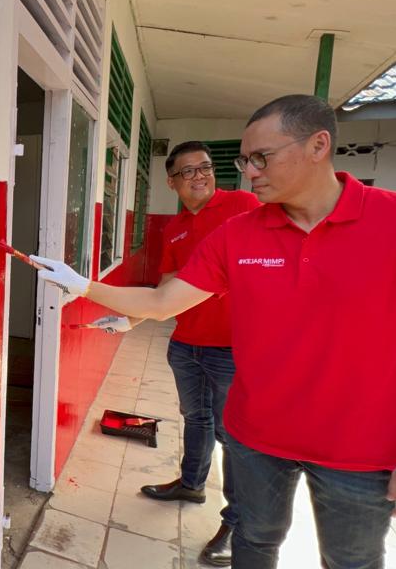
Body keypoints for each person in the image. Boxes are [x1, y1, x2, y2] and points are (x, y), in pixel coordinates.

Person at [30, 94, 396, 569]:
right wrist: (82, 285)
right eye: (244, 160)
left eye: (261, 158)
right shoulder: (238, 235)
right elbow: (166, 300)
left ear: (318, 145)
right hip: (257, 437)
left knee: (350, 561)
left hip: (363, 450)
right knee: (254, 543)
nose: (249, 171)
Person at [135, 141, 260, 567]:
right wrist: (131, 316)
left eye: (204, 167)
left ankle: (237, 523)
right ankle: (191, 483)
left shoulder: (244, 204)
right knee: (197, 418)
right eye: (187, 172)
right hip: (187, 344)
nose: (199, 176)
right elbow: (167, 290)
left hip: (232, 347)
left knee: (234, 437)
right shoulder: (173, 230)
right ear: (171, 182)